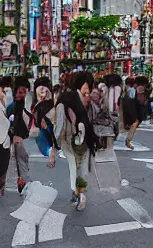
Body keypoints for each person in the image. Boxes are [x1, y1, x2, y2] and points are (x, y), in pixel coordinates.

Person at [53, 71, 95, 211]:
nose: (88, 89)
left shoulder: (64, 98)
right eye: (86, 85)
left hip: (72, 138)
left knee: (75, 165)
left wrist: (55, 145)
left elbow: (58, 124)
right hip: (78, 136)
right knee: (80, 165)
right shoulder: (77, 99)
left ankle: (78, 193)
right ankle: (80, 193)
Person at [8, 77, 33, 193]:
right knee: (21, 161)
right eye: (19, 92)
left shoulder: (26, 105)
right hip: (18, 137)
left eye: (23, 92)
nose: (20, 94)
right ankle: (23, 182)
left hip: (23, 137)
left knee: (21, 160)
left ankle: (23, 182)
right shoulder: (14, 106)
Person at [122, 77, 139, 149]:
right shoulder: (132, 90)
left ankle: (128, 141)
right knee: (134, 123)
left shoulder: (125, 89)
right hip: (130, 109)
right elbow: (132, 100)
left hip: (126, 109)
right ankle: (128, 141)